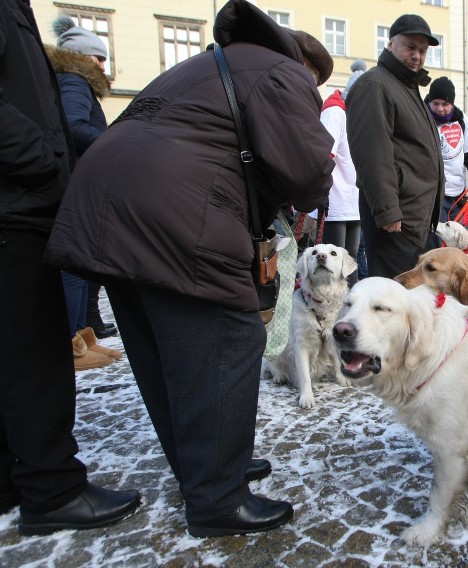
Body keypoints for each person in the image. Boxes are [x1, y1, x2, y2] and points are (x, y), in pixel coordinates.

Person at [45, 0, 335, 536]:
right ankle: (217, 499)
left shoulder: (211, 62)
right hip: (174, 208)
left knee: (166, 350)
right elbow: (307, 167)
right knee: (230, 337)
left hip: (107, 202)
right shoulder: (281, 71)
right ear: (304, 66)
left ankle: (205, 464)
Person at [1, 0, 141, 535]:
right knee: (34, 355)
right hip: (17, 202)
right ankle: (51, 489)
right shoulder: (73, 82)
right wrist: (44, 158)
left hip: (21, 200)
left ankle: (16, 477)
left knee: (17, 353)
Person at [47, 16, 120, 370]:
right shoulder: (75, 81)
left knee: (79, 267)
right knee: (75, 266)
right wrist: (115, 144)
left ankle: (83, 337)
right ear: (83, 57)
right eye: (99, 58)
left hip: (73, 182)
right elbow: (74, 128)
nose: (103, 65)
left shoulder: (72, 81)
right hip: (73, 184)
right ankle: (75, 345)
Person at [347, 14, 444, 278]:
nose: (417, 56)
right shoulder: (375, 85)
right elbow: (372, 155)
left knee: (413, 303)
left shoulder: (406, 86)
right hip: (397, 220)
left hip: (415, 216)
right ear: (391, 44)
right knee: (395, 302)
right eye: (410, 47)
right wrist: (388, 211)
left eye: (422, 51)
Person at [320, 59, 367, 285]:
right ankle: (334, 307)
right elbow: (324, 155)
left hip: (353, 199)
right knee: (334, 260)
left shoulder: (358, 113)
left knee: (349, 260)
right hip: (335, 198)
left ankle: (351, 307)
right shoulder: (335, 112)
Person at [424, 76, 468, 222]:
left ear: (452, 103)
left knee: (457, 242)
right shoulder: (421, 118)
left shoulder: (461, 119)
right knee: (436, 242)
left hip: (457, 195)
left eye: (445, 104)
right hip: (432, 195)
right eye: (436, 103)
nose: (440, 109)